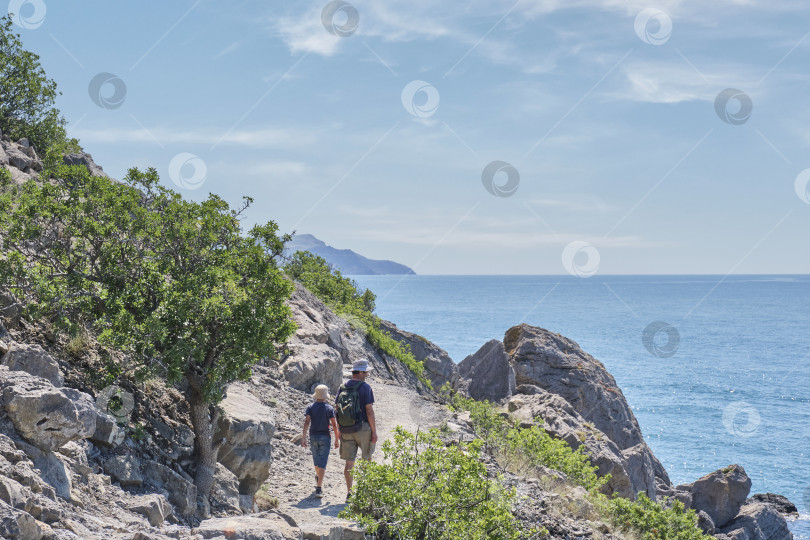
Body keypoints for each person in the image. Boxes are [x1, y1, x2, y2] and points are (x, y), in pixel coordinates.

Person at [335, 358, 377, 502]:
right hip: (363, 428)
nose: (366, 374)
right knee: (367, 460)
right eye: (365, 372)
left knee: (349, 463)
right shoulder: (365, 388)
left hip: (346, 429)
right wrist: (374, 432)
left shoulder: (342, 387)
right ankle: (365, 493)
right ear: (359, 372)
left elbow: (337, 408)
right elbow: (369, 411)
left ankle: (349, 493)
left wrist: (339, 428)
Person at [301, 384, 339, 498]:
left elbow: (307, 422)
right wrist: (337, 438)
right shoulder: (329, 408)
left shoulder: (310, 407)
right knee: (322, 463)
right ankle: (319, 488)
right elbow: (334, 424)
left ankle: (318, 478)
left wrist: (303, 437)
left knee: (316, 462)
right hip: (325, 437)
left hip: (313, 436)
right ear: (325, 396)